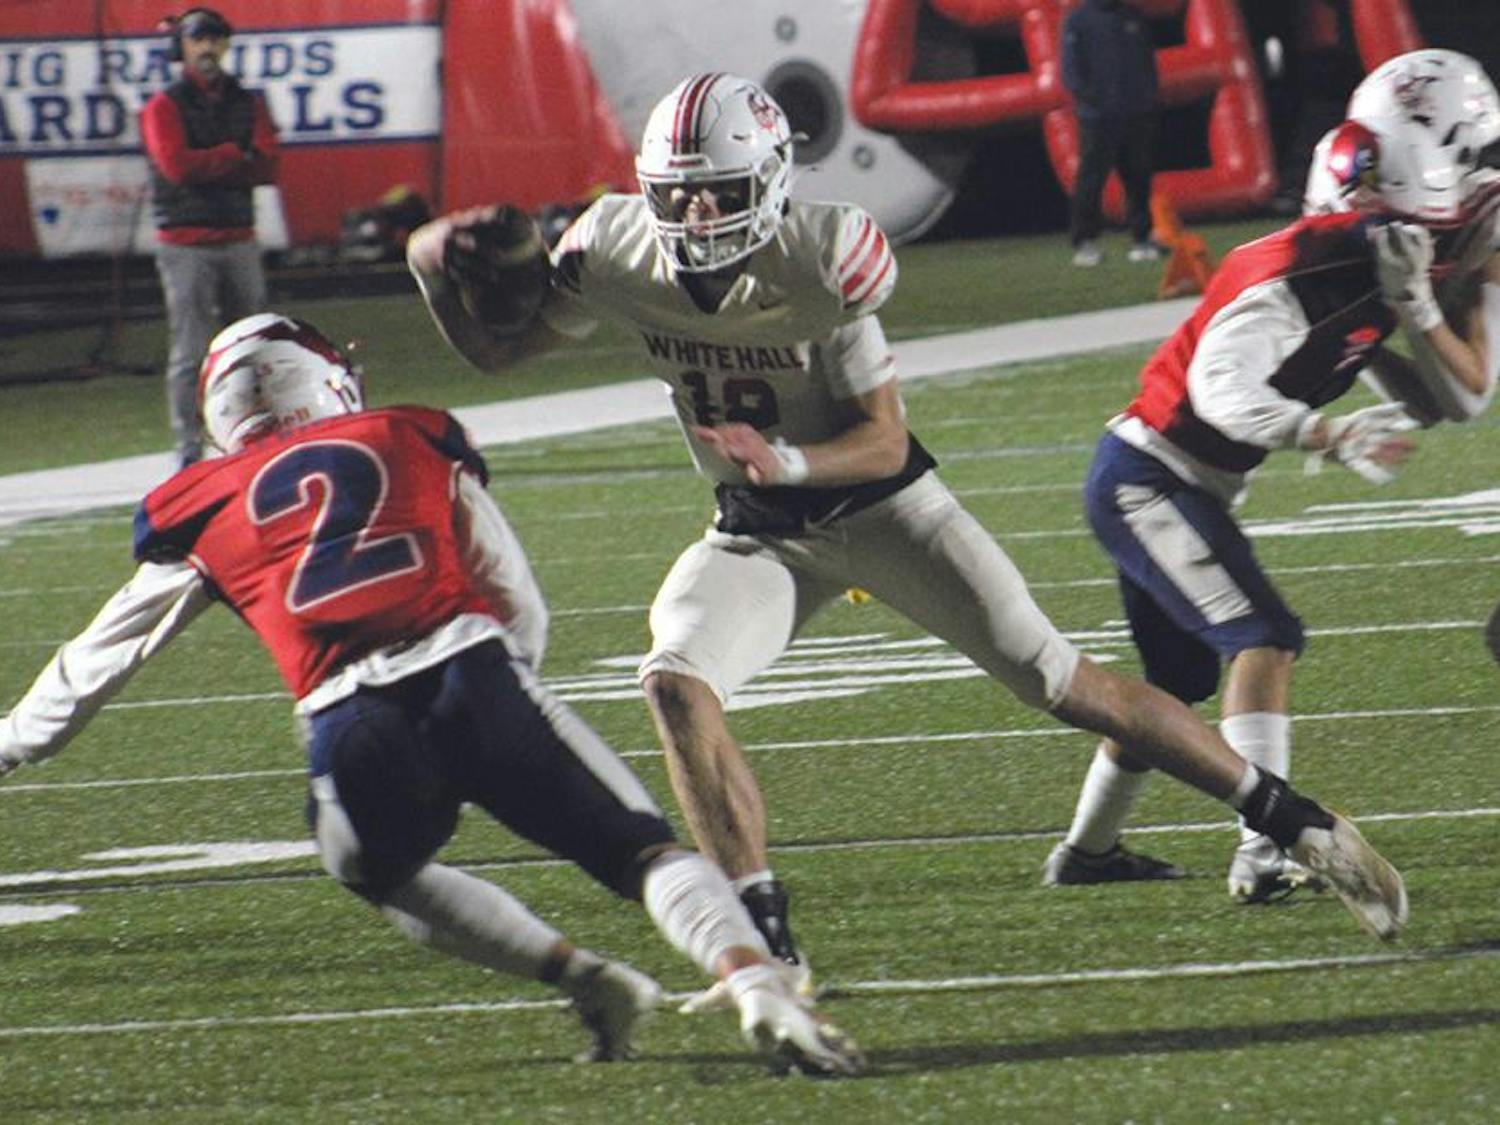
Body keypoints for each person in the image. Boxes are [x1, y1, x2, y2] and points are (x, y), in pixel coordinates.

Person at [406, 73, 1409, 989]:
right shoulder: (613, 248)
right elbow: (500, 356)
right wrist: (429, 271)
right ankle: (766, 942)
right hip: (756, 532)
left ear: (770, 179)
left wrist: (790, 461)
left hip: (887, 512)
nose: (695, 212)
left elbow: (883, 442)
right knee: (673, 679)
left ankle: (1297, 822)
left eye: (715, 190)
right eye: (677, 192)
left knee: (1064, 683)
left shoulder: (822, 257)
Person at [0, 313, 865, 1077]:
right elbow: (512, 588)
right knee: (642, 852)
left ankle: (580, 976)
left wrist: (14, 741)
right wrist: (510, 682)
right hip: (471, 672)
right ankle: (758, 983)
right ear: (332, 381)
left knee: (370, 865)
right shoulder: (404, 434)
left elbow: (95, 660)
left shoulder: (204, 503)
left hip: (349, 718)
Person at [1043, 54, 1500, 902]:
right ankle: (1265, 849)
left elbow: (1451, 396)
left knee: (1173, 688)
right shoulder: (1298, 274)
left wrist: (1415, 319)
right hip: (1147, 475)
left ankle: (1087, 852)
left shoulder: (1371, 268)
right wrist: (1321, 431)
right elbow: (1222, 393)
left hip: (1173, 478)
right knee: (1265, 636)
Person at [141, 8, 280, 468]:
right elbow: (176, 168)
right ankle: (189, 451)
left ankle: (255, 437)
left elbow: (265, 164)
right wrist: (232, 155)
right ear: (182, 47)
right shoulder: (165, 106)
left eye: (215, 41)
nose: (207, 50)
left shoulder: (247, 101)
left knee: (254, 346)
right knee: (191, 352)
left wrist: (216, 161)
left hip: (237, 234)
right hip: (185, 242)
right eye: (198, 41)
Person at [1060, 0, 1161, 267]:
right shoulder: (1078, 20)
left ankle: (1142, 239)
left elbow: (1146, 59)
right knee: (1091, 181)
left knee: (1139, 178)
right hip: (1098, 118)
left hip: (1135, 113)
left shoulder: (1132, 16)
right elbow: (1071, 68)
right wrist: (1089, 99)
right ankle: (1085, 243)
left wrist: (1148, 97)